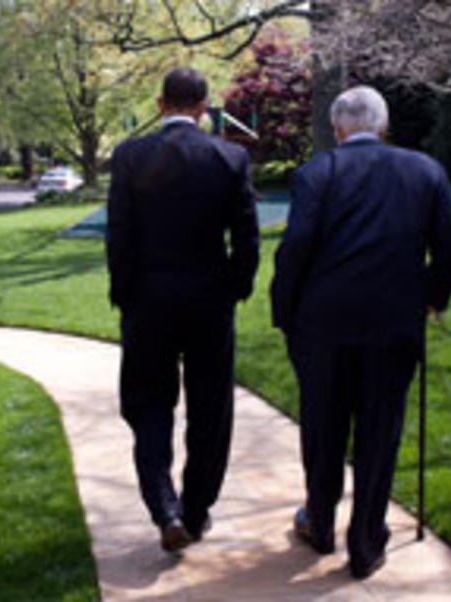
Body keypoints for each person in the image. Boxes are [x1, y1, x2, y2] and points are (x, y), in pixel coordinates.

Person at [269, 86, 451, 579]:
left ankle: (319, 522)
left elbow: (295, 248)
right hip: (392, 324)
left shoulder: (317, 172)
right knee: (380, 431)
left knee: (323, 428)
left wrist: (284, 311)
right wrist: (430, 296)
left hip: (323, 326)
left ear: (338, 129)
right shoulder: (425, 170)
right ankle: (365, 542)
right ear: (382, 126)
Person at [106, 67, 260, 553]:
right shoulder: (229, 156)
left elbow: (119, 234)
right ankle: (195, 511)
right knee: (211, 409)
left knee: (149, 405)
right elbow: (247, 237)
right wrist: (235, 287)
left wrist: (124, 292)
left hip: (148, 301)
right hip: (209, 303)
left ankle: (164, 507)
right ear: (202, 107)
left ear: (159, 103)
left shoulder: (130, 156)